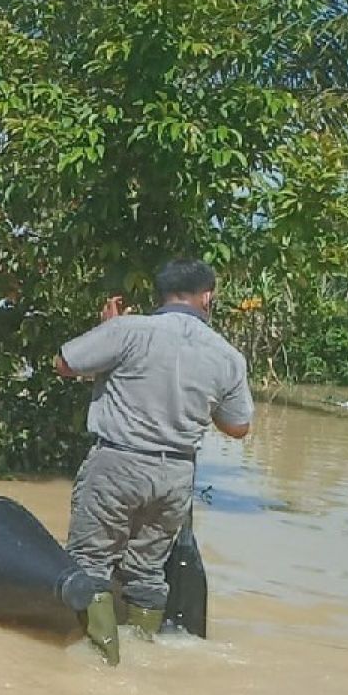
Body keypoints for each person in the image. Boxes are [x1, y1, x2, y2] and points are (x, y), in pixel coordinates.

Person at [55, 259, 253, 665]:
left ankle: (103, 663)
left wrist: (108, 330)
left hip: (118, 463)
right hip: (176, 475)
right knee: (146, 574)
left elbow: (64, 365)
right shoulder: (226, 355)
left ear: (161, 293)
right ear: (207, 296)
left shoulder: (130, 330)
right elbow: (238, 427)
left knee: (90, 564)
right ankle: (142, 659)